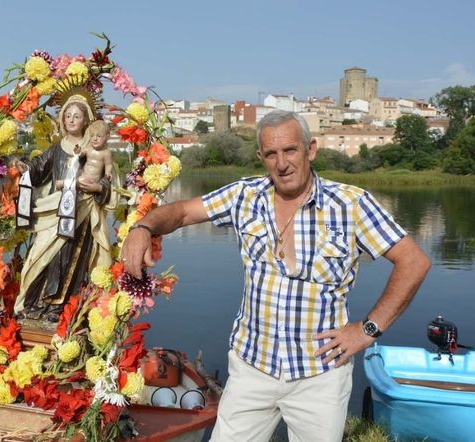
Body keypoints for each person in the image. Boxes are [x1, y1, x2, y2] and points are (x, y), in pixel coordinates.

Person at [121, 110, 430, 441]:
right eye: (271, 153)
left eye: (290, 150)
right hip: (252, 369)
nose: (282, 163)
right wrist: (143, 227)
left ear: (310, 149)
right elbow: (182, 212)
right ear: (261, 157)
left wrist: (367, 330)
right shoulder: (245, 196)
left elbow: (413, 261)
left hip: (320, 376)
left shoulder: (351, 205)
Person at [13, 93, 116, 322]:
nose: (71, 120)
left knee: (69, 258)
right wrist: (25, 168)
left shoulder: (95, 149)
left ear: (85, 121)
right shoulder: (56, 149)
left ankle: (59, 309)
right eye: (67, 115)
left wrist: (98, 187)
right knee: (41, 256)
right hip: (54, 211)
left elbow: (109, 180)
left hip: (81, 212)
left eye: (76, 116)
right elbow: (38, 168)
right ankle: (33, 303)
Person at [79, 120, 114, 185]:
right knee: (78, 180)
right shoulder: (89, 147)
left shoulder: (106, 152)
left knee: (80, 182)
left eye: (99, 136)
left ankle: (64, 183)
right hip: (84, 175)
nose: (95, 139)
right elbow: (82, 153)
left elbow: (108, 164)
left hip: (94, 179)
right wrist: (78, 151)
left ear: (107, 137)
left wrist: (108, 173)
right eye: (92, 136)